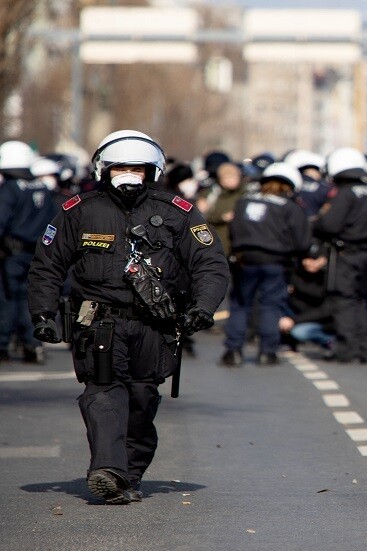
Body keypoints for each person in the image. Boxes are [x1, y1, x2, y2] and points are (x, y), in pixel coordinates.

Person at [27, 129, 229, 504]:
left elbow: (210, 264)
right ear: (104, 169)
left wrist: (203, 308)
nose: (128, 174)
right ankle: (108, 470)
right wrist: (42, 312)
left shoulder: (178, 212)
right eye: (120, 167)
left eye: (137, 168)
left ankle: (129, 474)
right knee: (103, 391)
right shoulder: (78, 210)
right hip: (98, 321)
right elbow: (47, 266)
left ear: (152, 171)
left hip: (155, 324)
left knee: (141, 398)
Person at [222, 162, 310, 366]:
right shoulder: (289, 207)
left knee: (240, 304)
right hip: (275, 261)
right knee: (270, 305)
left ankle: (233, 351)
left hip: (245, 259)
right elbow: (302, 241)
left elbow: (233, 231)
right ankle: (267, 352)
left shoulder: (243, 201)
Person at [313, 147, 367, 364]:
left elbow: (329, 225)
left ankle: (347, 348)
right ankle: (365, 348)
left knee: (344, 301)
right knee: (361, 300)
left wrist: (316, 224)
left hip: (347, 253)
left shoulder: (346, 193)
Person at [0, 141, 49, 363]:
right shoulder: (42, 187)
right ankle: (32, 344)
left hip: (12, 254)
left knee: (7, 299)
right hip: (38, 253)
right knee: (30, 299)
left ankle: (2, 345)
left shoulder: (11, 188)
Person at [196, 161, 247, 257]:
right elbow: (204, 216)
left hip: (238, 239)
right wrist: (222, 217)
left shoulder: (245, 193)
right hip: (218, 238)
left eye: (234, 177)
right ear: (221, 179)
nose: (232, 180)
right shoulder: (212, 194)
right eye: (227, 177)